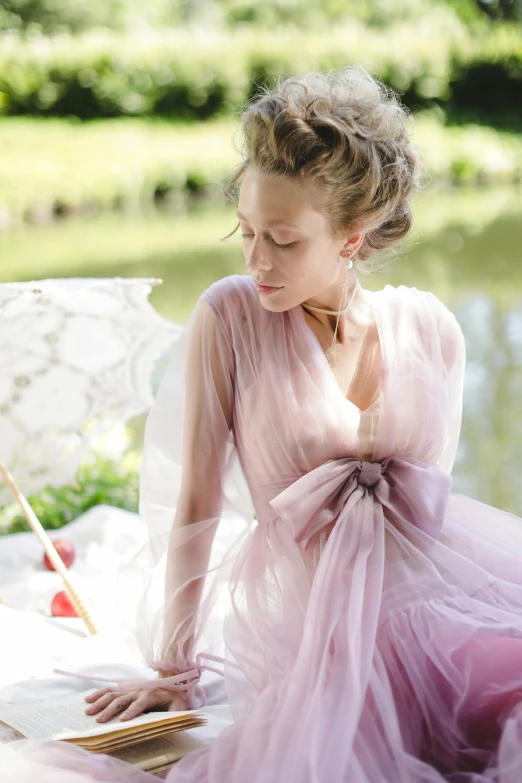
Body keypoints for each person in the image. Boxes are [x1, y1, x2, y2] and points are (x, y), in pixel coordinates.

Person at [6, 64, 522, 782]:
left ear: (353, 234)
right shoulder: (231, 314)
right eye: (245, 231)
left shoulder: (433, 328)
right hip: (321, 637)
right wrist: (174, 665)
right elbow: (197, 503)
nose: (256, 259)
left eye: (282, 239)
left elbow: (428, 511)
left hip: (438, 611)